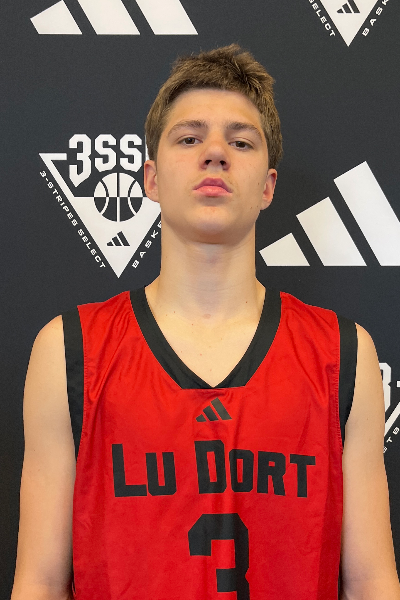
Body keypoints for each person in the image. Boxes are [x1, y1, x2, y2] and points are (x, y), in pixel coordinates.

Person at [11, 45, 400, 600]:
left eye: (241, 142)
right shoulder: (70, 350)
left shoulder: (342, 353)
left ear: (267, 186)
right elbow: (41, 582)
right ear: (150, 178)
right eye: (189, 138)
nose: (215, 153)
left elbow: (370, 583)